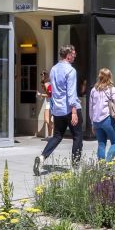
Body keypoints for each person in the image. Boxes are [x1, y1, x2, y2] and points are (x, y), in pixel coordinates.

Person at [34, 45, 83, 175]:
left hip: (58, 109)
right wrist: (74, 112)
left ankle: (42, 157)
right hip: (70, 108)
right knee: (77, 137)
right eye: (73, 53)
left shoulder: (54, 69)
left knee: (57, 136)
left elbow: (53, 90)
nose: (75, 55)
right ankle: (75, 167)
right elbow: (71, 93)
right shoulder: (71, 71)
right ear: (68, 55)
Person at [89, 68, 115, 162]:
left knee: (101, 144)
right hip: (107, 120)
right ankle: (107, 163)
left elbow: (91, 108)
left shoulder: (93, 90)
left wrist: (92, 123)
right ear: (109, 77)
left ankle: (101, 165)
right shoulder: (111, 89)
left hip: (96, 121)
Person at [37, 70, 53, 138]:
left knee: (47, 119)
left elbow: (50, 95)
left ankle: (52, 133)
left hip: (50, 103)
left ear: (45, 76)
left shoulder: (47, 84)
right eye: (41, 75)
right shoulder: (45, 84)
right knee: (47, 120)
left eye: (42, 75)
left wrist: (40, 94)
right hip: (47, 102)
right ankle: (50, 136)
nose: (41, 77)